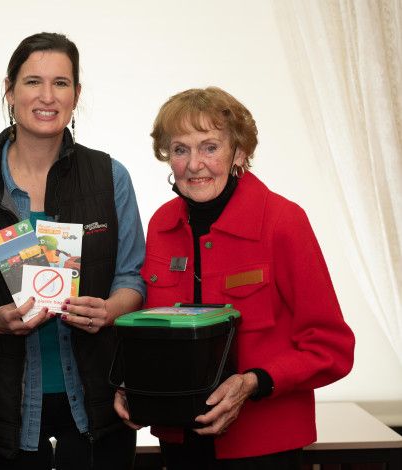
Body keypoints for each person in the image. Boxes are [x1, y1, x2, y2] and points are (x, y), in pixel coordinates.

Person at [114, 87, 355, 469]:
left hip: (264, 446)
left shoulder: (283, 222)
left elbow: (332, 348)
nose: (195, 164)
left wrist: (253, 382)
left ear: (239, 153)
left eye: (210, 147)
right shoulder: (162, 222)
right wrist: (132, 383)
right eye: (180, 149)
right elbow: (153, 329)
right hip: (178, 442)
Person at [0, 32, 146, 469]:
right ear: (9, 91)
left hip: (97, 401)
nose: (47, 96)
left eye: (61, 83)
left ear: (76, 95)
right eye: (33, 82)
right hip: (0, 409)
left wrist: (108, 310)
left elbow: (131, 277)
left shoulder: (111, 177)